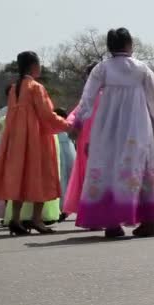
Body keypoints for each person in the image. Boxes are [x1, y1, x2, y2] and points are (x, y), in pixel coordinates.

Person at [73, 28, 154, 238]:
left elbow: (88, 96)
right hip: (136, 125)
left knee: (107, 164)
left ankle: (112, 223)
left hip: (108, 125)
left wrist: (79, 119)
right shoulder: (141, 68)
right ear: (129, 45)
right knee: (139, 165)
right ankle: (148, 221)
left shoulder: (102, 69)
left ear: (109, 46)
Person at [0, 51, 71, 236]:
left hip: (17, 141)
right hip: (36, 140)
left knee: (21, 178)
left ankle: (16, 220)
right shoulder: (35, 87)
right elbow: (47, 115)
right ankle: (36, 219)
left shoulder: (14, 89)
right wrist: (67, 125)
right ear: (34, 66)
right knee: (41, 176)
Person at [63, 63, 100, 219]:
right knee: (91, 176)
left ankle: (93, 212)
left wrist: (67, 124)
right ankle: (91, 211)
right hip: (89, 140)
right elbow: (74, 115)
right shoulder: (92, 97)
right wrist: (66, 124)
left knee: (90, 176)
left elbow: (73, 116)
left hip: (93, 139)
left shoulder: (97, 95)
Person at [54, 108, 77, 222]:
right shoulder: (67, 129)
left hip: (64, 152)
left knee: (63, 179)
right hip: (68, 152)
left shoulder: (57, 130)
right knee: (67, 179)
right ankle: (65, 208)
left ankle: (64, 208)